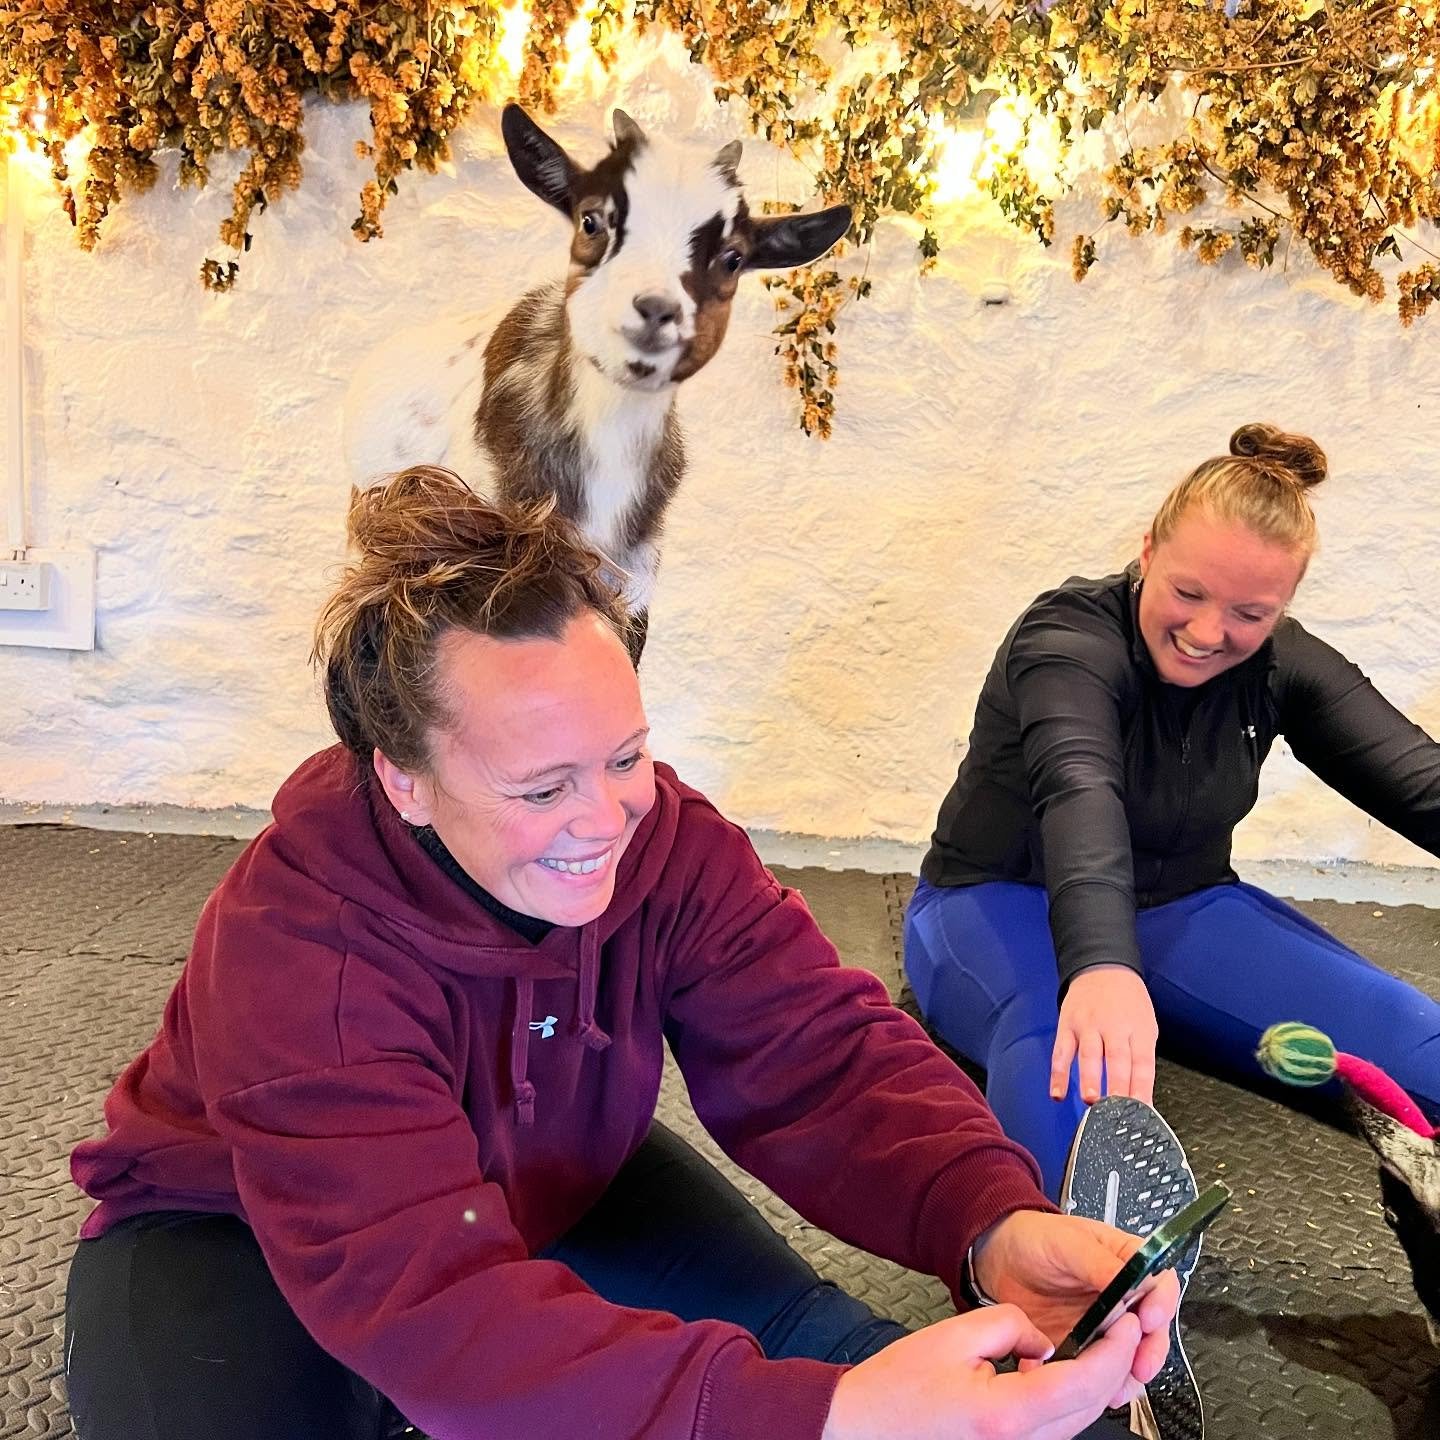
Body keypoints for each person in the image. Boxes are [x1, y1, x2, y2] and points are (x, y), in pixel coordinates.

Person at [65, 466, 1178, 1440]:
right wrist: (832, 1419)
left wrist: (993, 1221)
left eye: (625, 757)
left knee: (839, 1360)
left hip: (553, 1173)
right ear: (404, 779)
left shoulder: (670, 842)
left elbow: (822, 1058)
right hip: (237, 1226)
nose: (605, 820)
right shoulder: (298, 945)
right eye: (542, 787)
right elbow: (434, 1310)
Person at [905, 421, 1440, 1200]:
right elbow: (1079, 787)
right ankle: (1092, 1266)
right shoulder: (1067, 639)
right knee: (1066, 1064)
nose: (1206, 631)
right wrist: (1102, 965)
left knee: (1421, 1049)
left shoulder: (1285, 664)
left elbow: (1420, 783)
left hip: (1180, 908)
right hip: (1001, 899)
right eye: (1188, 593)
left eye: (1250, 614)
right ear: (1148, 550)